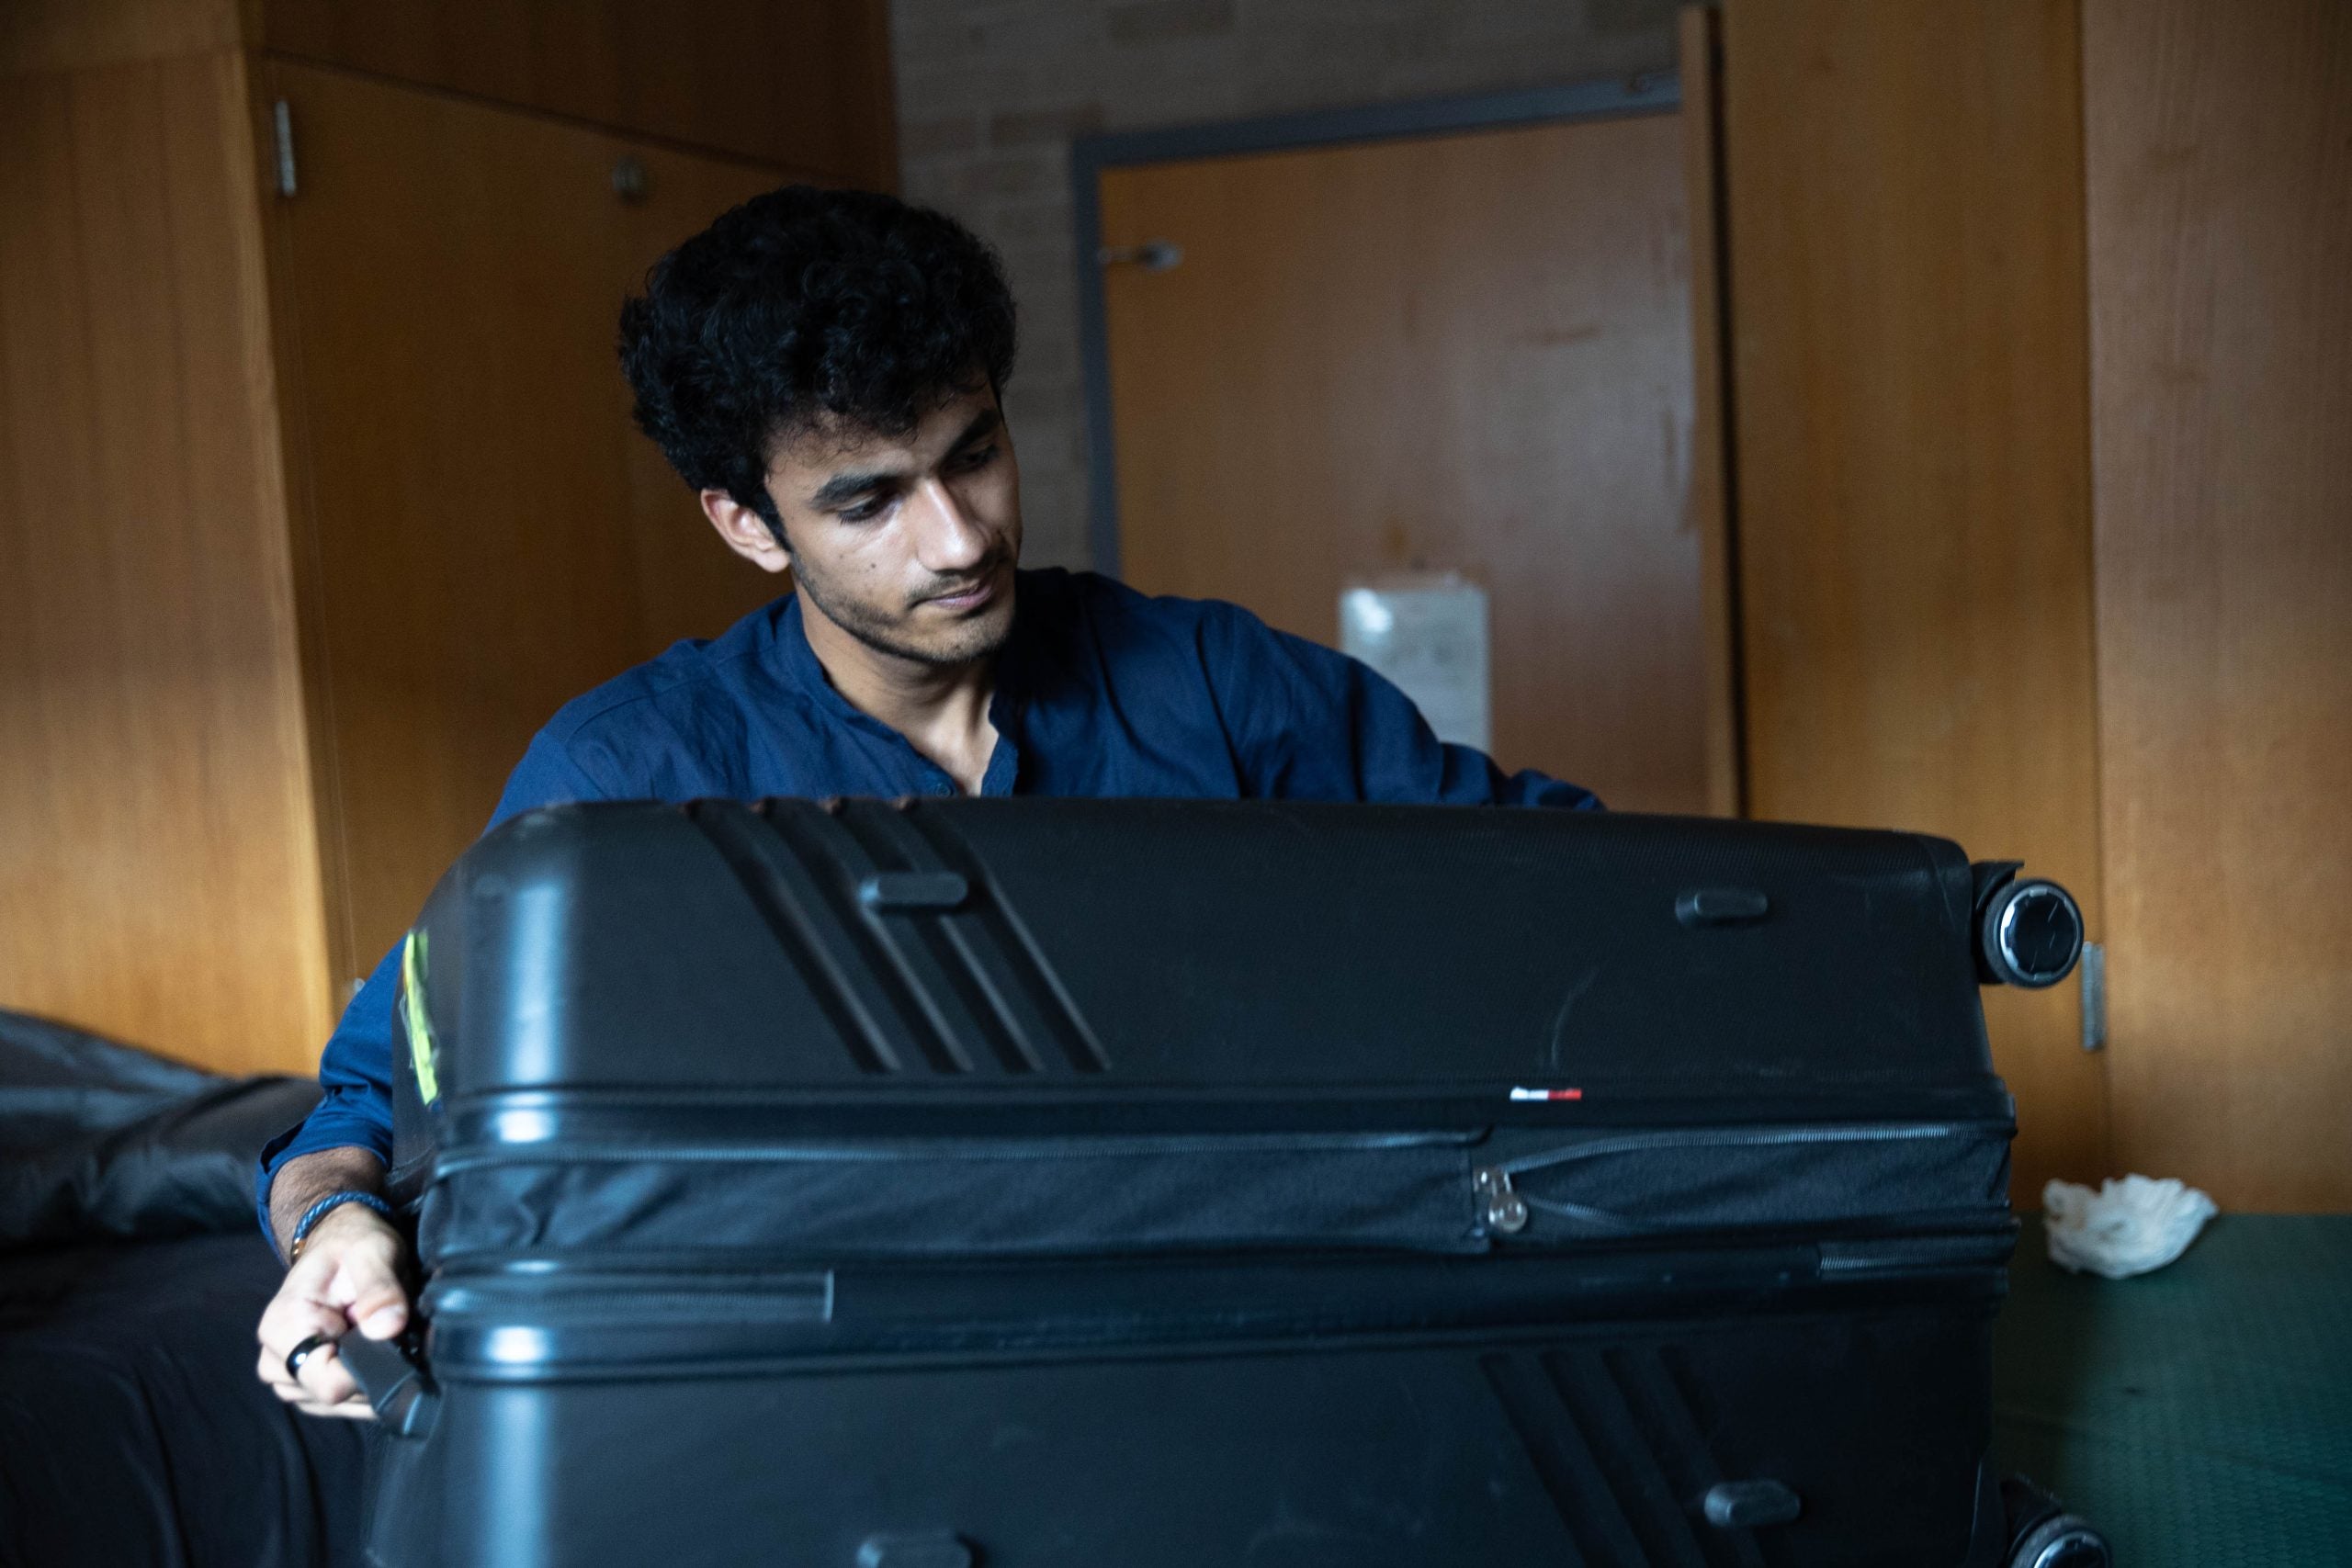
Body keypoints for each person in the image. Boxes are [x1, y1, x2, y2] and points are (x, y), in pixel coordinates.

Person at [254, 186, 1599, 1416]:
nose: (959, 539)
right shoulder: (624, 781)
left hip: (1229, 1364)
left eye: (975, 455)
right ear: (746, 525)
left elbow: (1573, 891)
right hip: (843, 1406)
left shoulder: (1216, 684)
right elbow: (368, 1105)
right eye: (871, 501)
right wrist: (338, 1235)